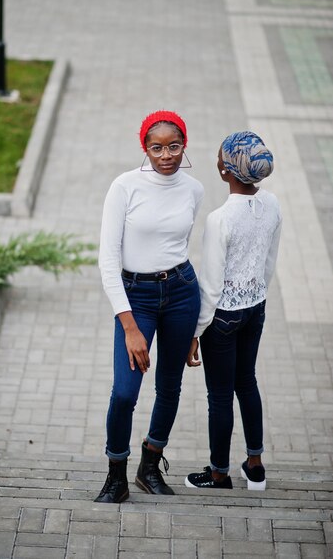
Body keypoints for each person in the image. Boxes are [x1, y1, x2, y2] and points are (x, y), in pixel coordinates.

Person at [95, 110, 204, 503]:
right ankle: (116, 474)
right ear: (145, 148)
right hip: (135, 296)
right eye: (156, 147)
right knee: (125, 393)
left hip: (181, 292)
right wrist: (129, 326)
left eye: (174, 146)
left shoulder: (193, 189)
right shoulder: (124, 187)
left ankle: (150, 465)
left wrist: (196, 328)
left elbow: (182, 247)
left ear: (184, 145)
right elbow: (108, 261)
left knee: (170, 387)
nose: (166, 155)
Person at [185, 131, 281, 491]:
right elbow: (269, 261)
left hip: (223, 317)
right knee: (248, 382)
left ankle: (218, 473)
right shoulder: (272, 204)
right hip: (256, 308)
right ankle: (255, 466)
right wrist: (257, 295)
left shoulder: (220, 218)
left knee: (220, 396)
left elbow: (210, 286)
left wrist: (196, 332)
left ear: (225, 170)